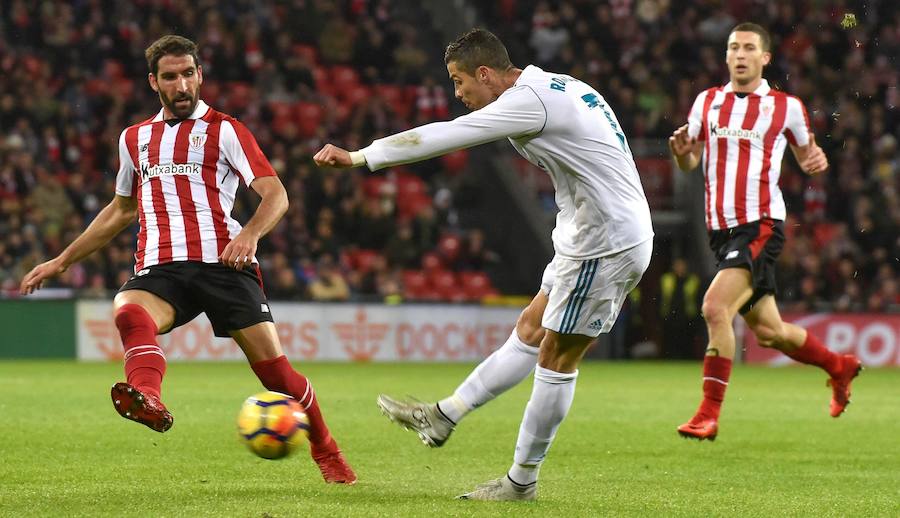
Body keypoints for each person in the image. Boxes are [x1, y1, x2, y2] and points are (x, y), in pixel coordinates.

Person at [314, 28, 653, 500]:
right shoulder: (560, 84)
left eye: (459, 82)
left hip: (606, 242)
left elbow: (447, 135)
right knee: (530, 332)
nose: (458, 94)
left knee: (557, 360)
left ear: (486, 73)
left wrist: (361, 156)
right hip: (589, 234)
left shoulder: (527, 100)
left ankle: (521, 482)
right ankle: (444, 414)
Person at [19, 35, 356, 484]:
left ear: (200, 75)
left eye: (188, 74)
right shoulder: (134, 138)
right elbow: (121, 209)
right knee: (129, 310)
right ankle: (147, 395)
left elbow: (276, 194)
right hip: (161, 267)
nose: (181, 85)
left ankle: (328, 452)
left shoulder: (226, 129)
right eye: (170, 77)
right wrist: (61, 261)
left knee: (277, 376)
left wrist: (251, 235)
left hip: (224, 265)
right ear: (153, 83)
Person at [668, 23, 862, 441]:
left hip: (759, 225)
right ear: (726, 56)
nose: (740, 54)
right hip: (720, 232)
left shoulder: (785, 106)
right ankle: (838, 366)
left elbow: (808, 153)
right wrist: (683, 156)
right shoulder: (706, 102)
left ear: (764, 58)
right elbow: (692, 162)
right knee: (771, 332)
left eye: (749, 48)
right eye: (733, 47)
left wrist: (816, 160)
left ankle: (708, 413)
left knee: (715, 308)